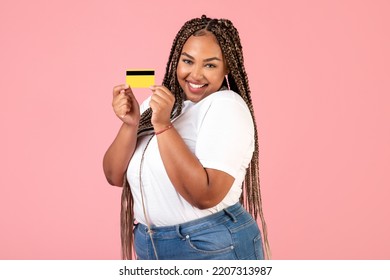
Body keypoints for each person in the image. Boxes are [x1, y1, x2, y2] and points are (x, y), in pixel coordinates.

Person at [103, 15, 270, 260]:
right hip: (152, 245)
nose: (196, 74)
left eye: (210, 65)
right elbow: (114, 175)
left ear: (227, 68)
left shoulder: (227, 106)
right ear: (176, 61)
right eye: (188, 61)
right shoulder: (160, 105)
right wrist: (131, 125)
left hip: (211, 246)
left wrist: (163, 126)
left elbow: (205, 195)